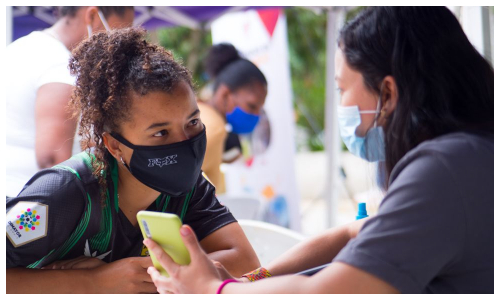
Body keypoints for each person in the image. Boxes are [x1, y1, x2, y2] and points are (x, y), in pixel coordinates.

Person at [144, 7, 494, 294]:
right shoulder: (468, 156)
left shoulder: (442, 171)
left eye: (342, 88)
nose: (341, 103)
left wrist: (214, 290)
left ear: (387, 93)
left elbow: (325, 291)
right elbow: (351, 234)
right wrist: (245, 283)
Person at [6, 28, 260, 293]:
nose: (184, 142)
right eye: (160, 132)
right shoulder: (63, 192)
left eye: (192, 122)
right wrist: (93, 283)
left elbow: (245, 261)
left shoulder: (189, 188)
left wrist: (141, 272)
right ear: (115, 145)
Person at [6, 6, 134, 198]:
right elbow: (53, 159)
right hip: (30, 209)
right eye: (118, 31)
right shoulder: (61, 67)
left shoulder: (18, 48)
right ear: (92, 15)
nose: (117, 44)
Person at [197, 43, 268, 192]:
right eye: (252, 106)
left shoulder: (198, 112)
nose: (256, 115)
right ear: (224, 95)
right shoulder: (214, 128)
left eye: (259, 109)